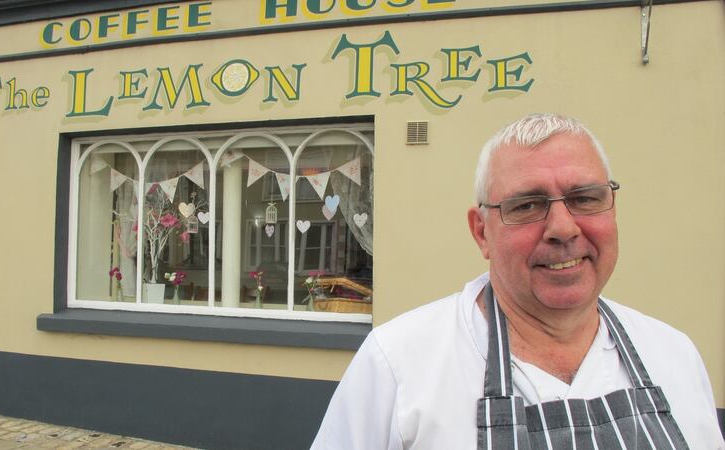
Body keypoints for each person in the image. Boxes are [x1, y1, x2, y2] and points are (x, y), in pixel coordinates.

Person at [310, 113, 724, 449]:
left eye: (585, 198)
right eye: (527, 205)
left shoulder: (674, 356)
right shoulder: (398, 364)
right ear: (482, 233)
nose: (563, 228)